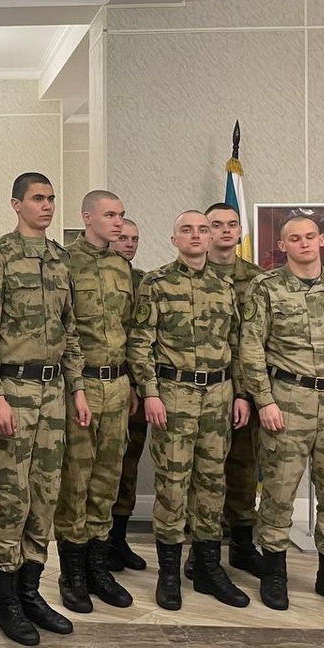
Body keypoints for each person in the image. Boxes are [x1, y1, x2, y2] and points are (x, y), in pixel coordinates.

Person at [0, 172, 86, 646]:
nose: (47, 206)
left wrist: (77, 388)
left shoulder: (61, 258)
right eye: (38, 198)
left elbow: (70, 329)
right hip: (12, 389)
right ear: (16, 204)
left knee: (46, 494)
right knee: (13, 494)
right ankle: (7, 600)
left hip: (54, 389)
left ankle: (31, 590)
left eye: (51, 198)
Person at [240, 216, 324, 614]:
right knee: (279, 491)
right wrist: (264, 400)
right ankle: (274, 573)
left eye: (309, 237)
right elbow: (252, 347)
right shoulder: (266, 287)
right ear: (283, 245)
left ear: (321, 240)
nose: (303, 243)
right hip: (287, 401)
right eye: (294, 238)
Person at [128, 210, 251, 612]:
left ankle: (208, 568)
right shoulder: (157, 283)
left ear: (211, 237)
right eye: (187, 230)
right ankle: (168, 574)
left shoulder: (225, 285)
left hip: (219, 394)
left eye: (203, 229)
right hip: (174, 394)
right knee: (173, 483)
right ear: (174, 239)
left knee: (212, 483)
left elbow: (237, 345)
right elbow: (140, 344)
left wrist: (241, 394)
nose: (197, 235)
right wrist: (149, 393)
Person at [54, 190, 136, 614]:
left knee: (107, 479)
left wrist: (134, 384)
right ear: (87, 217)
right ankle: (72, 574)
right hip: (81, 385)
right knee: (76, 480)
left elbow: (131, 330)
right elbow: (61, 330)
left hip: (117, 385)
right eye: (110, 215)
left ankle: (98, 567)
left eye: (121, 215)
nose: (118, 222)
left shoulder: (122, 267)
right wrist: (75, 388)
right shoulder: (65, 263)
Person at [201, 202, 266, 579]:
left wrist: (247, 392)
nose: (225, 230)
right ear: (205, 231)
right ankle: (202, 552)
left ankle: (242, 546)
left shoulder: (258, 280)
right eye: (216, 224)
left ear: (240, 231)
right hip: (202, 390)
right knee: (201, 472)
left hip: (245, 390)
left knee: (243, 467)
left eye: (232, 224)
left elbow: (257, 341)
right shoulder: (192, 274)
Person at [107, 219, 148, 572]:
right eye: (122, 237)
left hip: (134, 386)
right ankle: (97, 544)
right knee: (101, 467)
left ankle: (118, 539)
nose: (129, 243)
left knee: (128, 464)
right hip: (103, 384)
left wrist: (141, 385)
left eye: (134, 238)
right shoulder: (95, 276)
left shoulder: (144, 282)